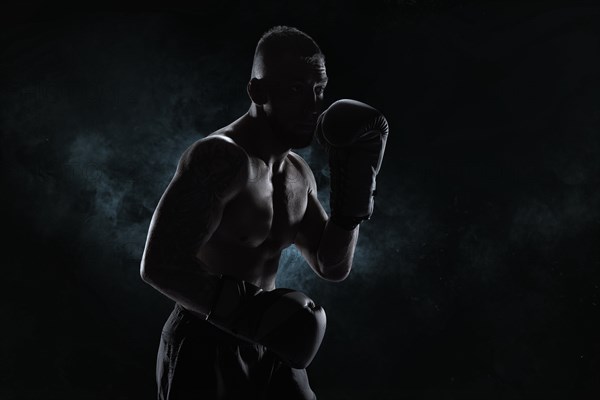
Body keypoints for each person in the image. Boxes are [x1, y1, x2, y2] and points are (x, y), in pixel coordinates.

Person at [140, 26, 388, 399]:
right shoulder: (220, 158)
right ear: (258, 91)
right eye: (295, 90)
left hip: (273, 343)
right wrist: (253, 315)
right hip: (207, 342)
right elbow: (159, 264)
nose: (314, 106)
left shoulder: (298, 173)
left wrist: (354, 198)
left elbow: (332, 265)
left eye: (319, 91)